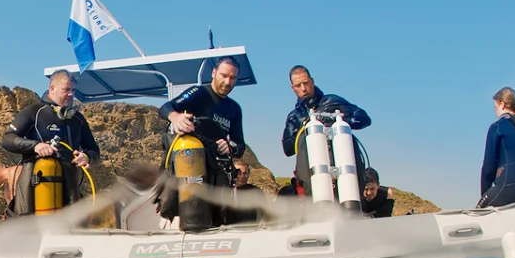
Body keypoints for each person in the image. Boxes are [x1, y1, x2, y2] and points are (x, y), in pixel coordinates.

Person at [158, 57, 256, 229]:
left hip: (216, 170)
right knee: (192, 214)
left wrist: (230, 146)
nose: (227, 82)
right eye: (224, 75)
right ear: (214, 73)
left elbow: (240, 145)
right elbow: (166, 107)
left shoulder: (234, 108)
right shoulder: (199, 93)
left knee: (219, 216)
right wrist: (176, 117)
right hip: (190, 165)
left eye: (232, 78)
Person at [1, 69, 101, 214]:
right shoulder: (34, 112)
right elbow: (8, 139)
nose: (71, 94)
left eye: (73, 90)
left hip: (69, 186)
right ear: (52, 89)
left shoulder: (77, 119)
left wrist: (86, 156)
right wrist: (35, 146)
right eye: (66, 89)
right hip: (35, 185)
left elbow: (93, 149)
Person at [280, 65, 372, 194]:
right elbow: (287, 149)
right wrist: (304, 126)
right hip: (313, 173)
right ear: (292, 88)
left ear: (312, 81)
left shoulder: (332, 102)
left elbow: (364, 118)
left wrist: (341, 121)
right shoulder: (294, 116)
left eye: (306, 83)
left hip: (343, 167)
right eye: (298, 85)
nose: (303, 88)